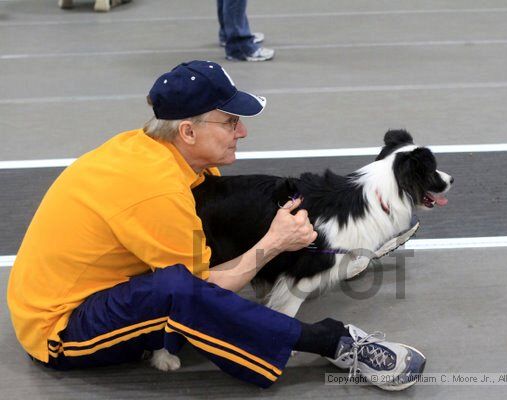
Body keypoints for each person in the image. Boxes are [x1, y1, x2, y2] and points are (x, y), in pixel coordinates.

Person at [7, 60, 425, 390]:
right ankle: (332, 342)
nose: (242, 131)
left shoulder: (160, 154)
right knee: (183, 293)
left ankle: (330, 253)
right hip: (61, 330)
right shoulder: (157, 191)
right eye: (229, 121)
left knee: (226, 224)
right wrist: (274, 244)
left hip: (93, 290)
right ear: (187, 131)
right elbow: (201, 293)